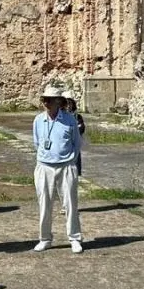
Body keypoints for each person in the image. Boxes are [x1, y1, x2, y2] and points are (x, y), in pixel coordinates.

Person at [32, 86, 84, 253]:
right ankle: (45, 238)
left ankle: (74, 238)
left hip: (66, 165)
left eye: (49, 99)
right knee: (44, 204)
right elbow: (37, 143)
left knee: (70, 203)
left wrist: (70, 160)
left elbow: (77, 143)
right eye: (44, 99)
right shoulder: (38, 120)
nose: (45, 102)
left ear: (58, 102)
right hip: (45, 166)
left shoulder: (69, 120)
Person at [62, 90, 86, 176]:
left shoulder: (77, 117)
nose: (68, 106)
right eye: (66, 103)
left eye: (70, 103)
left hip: (74, 145)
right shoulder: (59, 117)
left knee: (75, 168)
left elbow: (81, 129)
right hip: (63, 147)